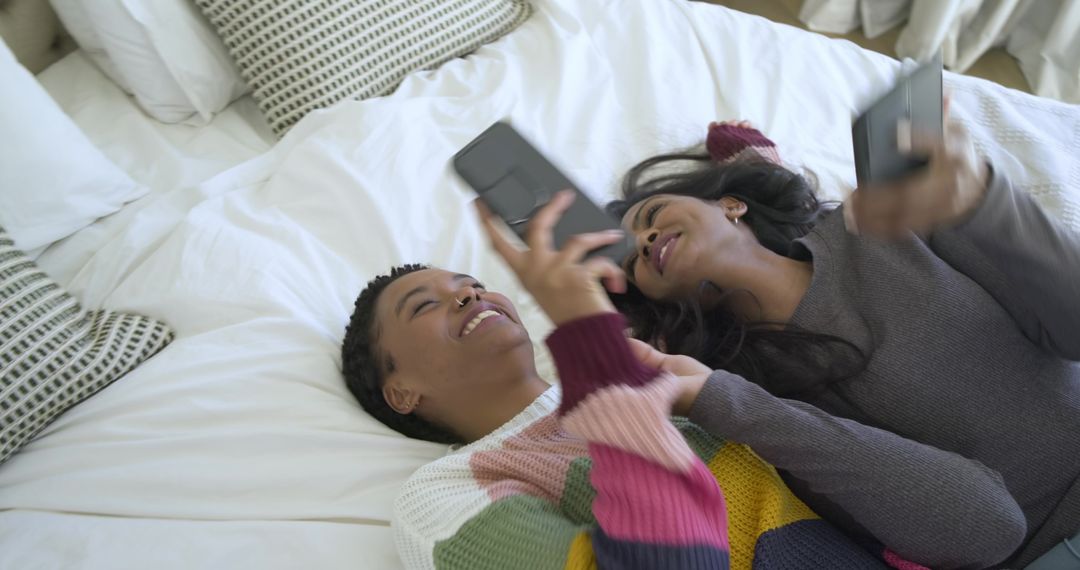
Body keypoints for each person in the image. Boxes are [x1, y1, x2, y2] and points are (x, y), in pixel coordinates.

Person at [341, 198, 1024, 569]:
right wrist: (589, 342)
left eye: (473, 282)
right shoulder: (441, 498)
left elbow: (987, 525)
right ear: (401, 391)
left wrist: (706, 394)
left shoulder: (665, 385)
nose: (469, 296)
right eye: (425, 306)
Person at [605, 116, 1080, 568]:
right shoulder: (747, 397)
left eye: (651, 216)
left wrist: (981, 200)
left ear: (731, 204)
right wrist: (720, 399)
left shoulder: (880, 223)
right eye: (633, 262)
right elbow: (986, 527)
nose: (646, 240)